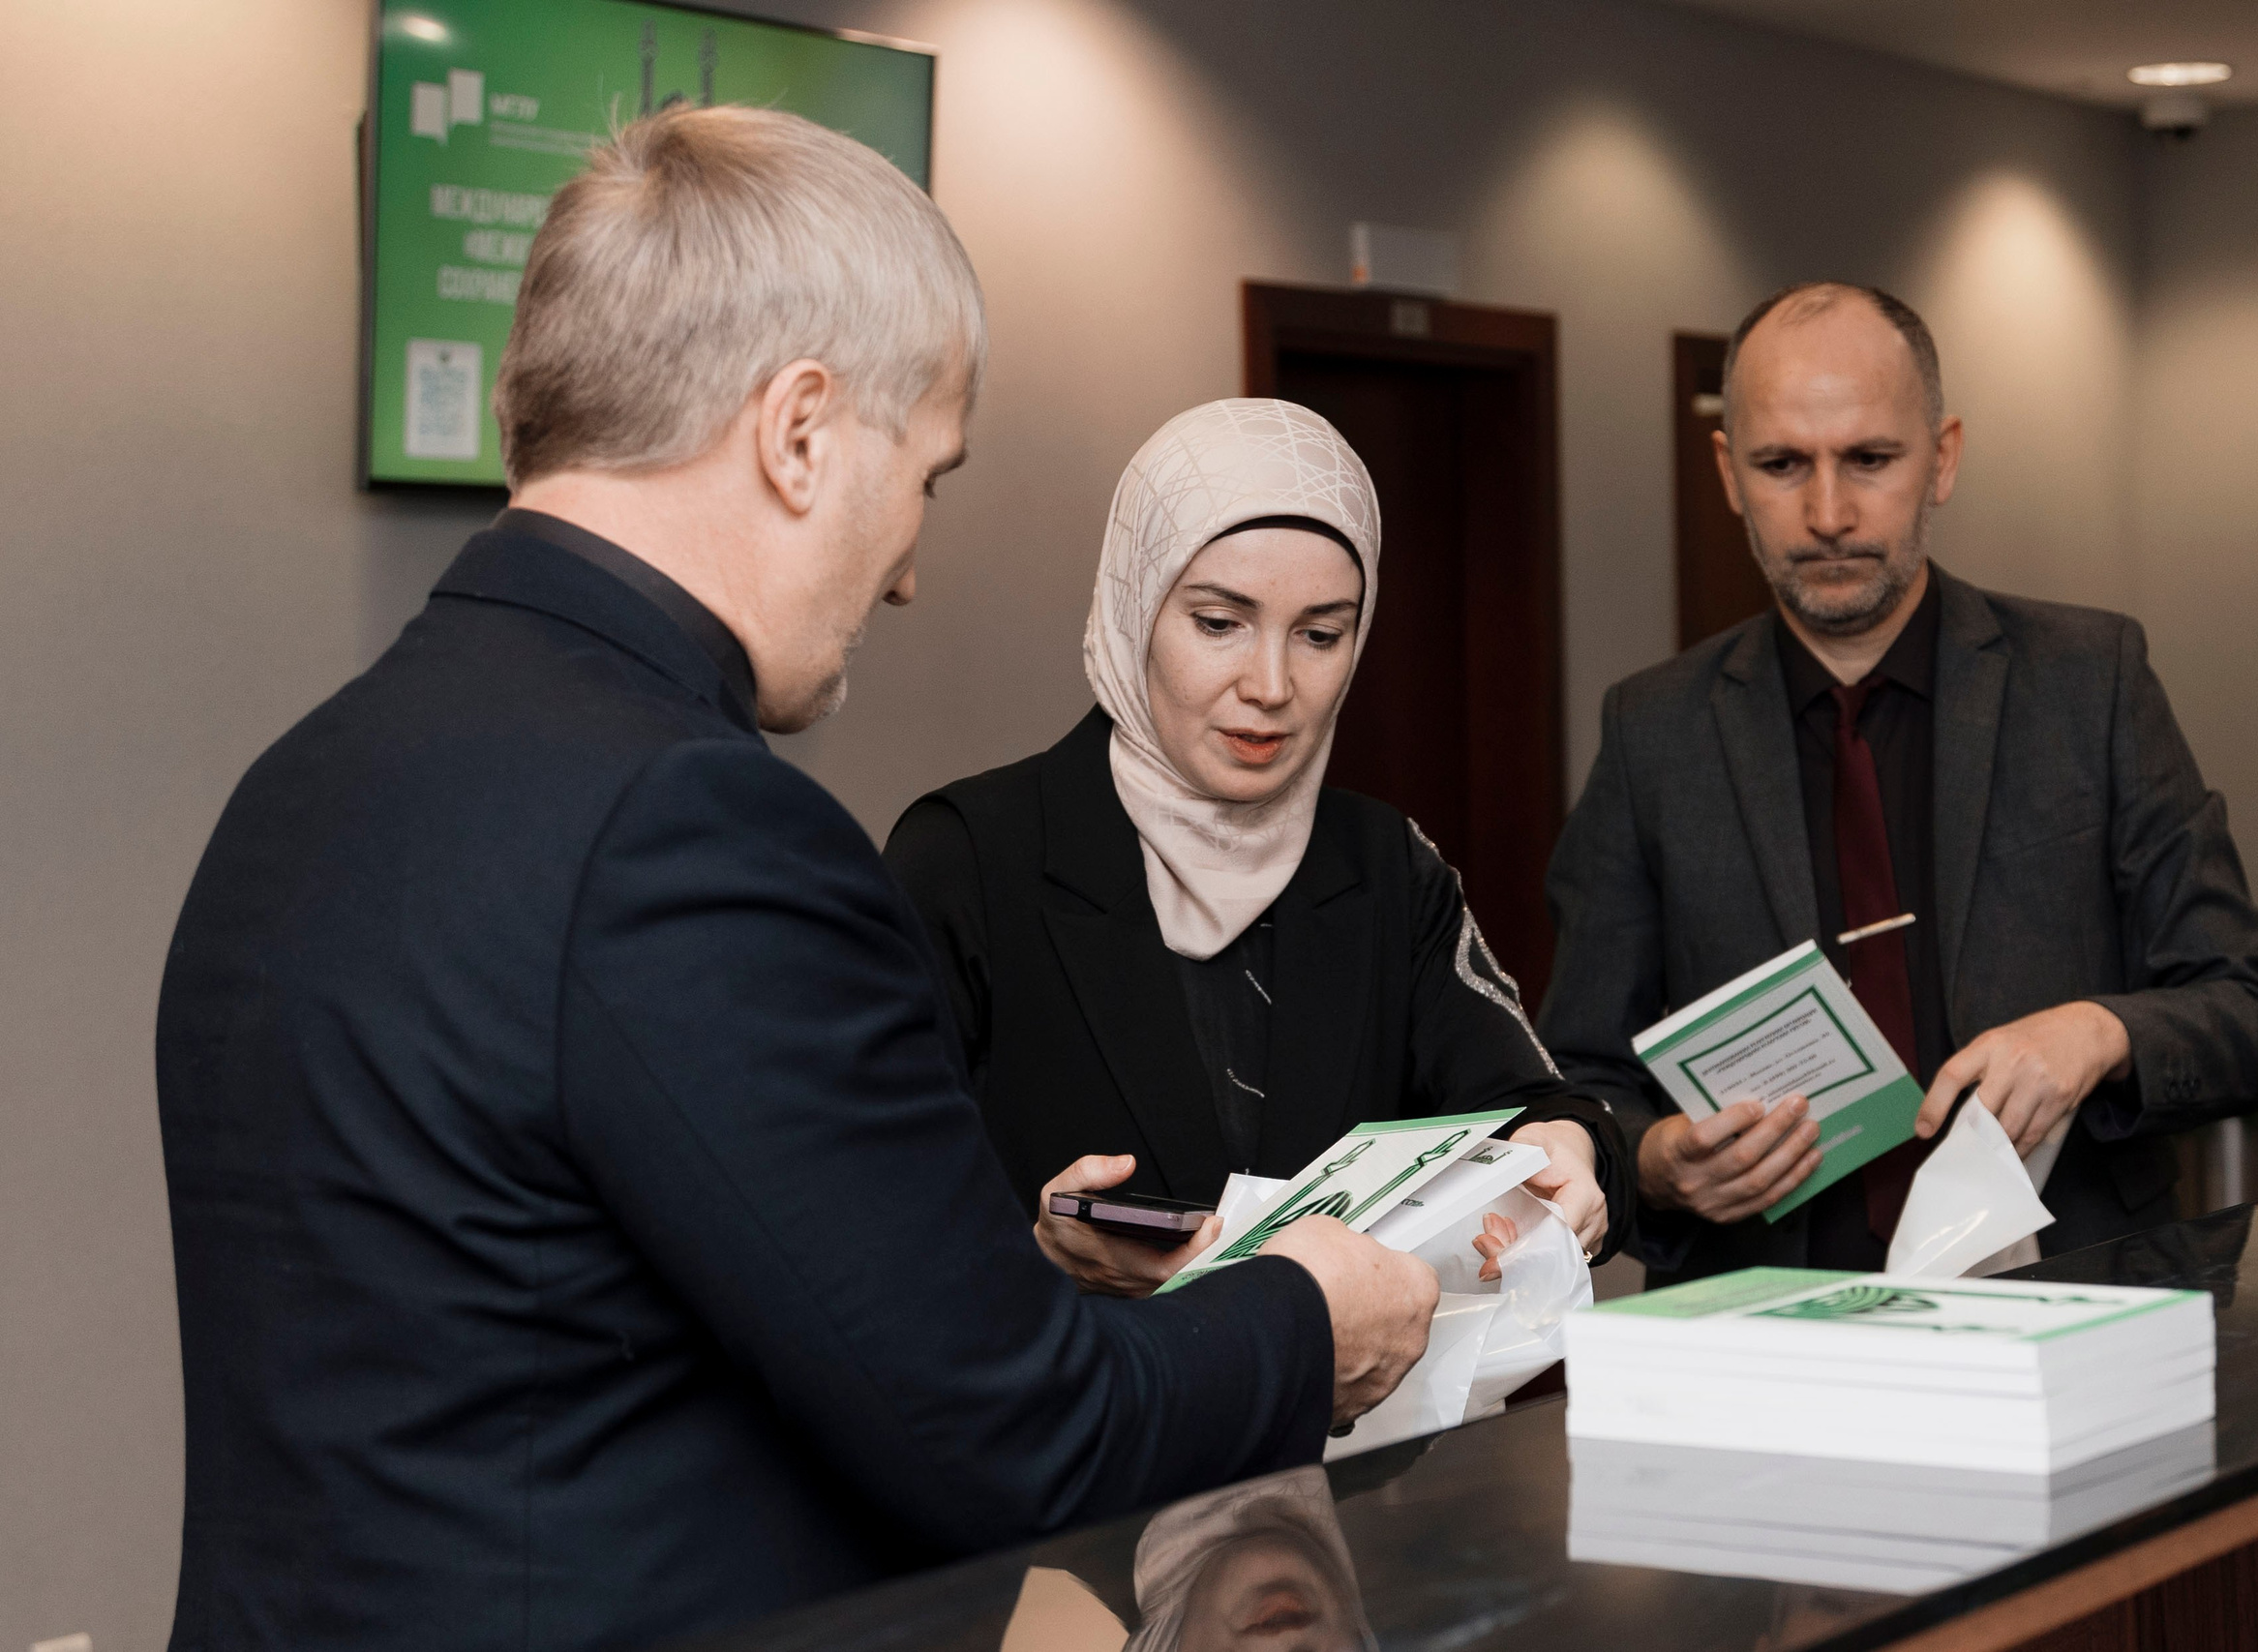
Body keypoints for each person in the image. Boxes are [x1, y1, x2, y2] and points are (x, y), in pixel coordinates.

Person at [152, 108, 1437, 1652]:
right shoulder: (691, 826)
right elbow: (1013, 1436)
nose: (909, 565)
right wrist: (1308, 1310)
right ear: (802, 431)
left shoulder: (304, 778)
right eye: (930, 478)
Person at [1535, 281, 2258, 1279]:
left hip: (2073, 1302)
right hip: (1772, 1326)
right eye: (1780, 465)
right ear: (1727, 472)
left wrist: (2096, 1032)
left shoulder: (2087, 682)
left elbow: (2251, 1014)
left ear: (1941, 459)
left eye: (1868, 459)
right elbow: (1579, 1077)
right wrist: (1655, 1161)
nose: (1827, 513)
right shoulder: (1653, 732)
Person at [884, 400, 1626, 1296]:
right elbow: (865, 1218)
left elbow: (1540, 1103)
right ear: (1134, 608)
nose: (1271, 686)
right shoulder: (968, 857)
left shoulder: (1384, 864)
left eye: (1320, 634)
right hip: (1075, 1415)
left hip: (1348, 1426)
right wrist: (1038, 1254)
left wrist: (1566, 1151)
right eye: (1218, 623)